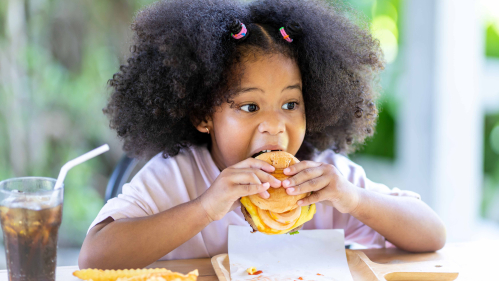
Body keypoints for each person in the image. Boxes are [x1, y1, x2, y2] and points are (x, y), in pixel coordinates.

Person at [78, 0, 446, 269]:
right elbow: (95, 256)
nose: (275, 125)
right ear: (203, 114)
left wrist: (353, 199)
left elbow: (432, 235)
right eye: (250, 107)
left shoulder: (324, 179)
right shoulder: (177, 177)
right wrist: (205, 208)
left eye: (290, 105)